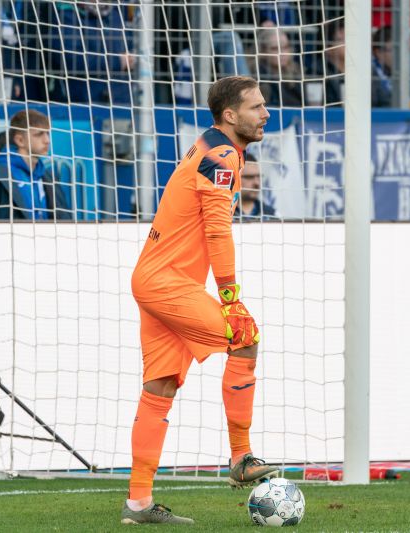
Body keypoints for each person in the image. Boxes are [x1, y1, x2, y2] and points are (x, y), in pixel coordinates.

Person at [123, 76, 276, 525]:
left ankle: (138, 505)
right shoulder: (223, 157)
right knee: (244, 339)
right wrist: (230, 298)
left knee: (160, 387)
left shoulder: (209, 146)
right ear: (231, 116)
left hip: (154, 279)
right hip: (168, 283)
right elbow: (216, 230)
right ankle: (242, 456)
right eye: (256, 107)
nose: (265, 113)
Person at [0, 109, 71, 221]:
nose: (47, 140)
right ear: (20, 140)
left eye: (47, 133)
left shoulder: (49, 179)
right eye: (39, 134)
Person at [253, 26, 304, 107]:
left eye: (285, 47)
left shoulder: (298, 72)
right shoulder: (257, 77)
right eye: (275, 48)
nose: (282, 53)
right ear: (263, 51)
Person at [234, 153, 277, 221]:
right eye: (249, 177)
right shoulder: (222, 213)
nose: (257, 183)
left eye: (258, 177)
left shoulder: (272, 215)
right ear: (235, 179)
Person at [371, 26, 393, 108]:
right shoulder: (371, 75)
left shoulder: (402, 73)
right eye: (393, 50)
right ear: (378, 52)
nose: (400, 55)